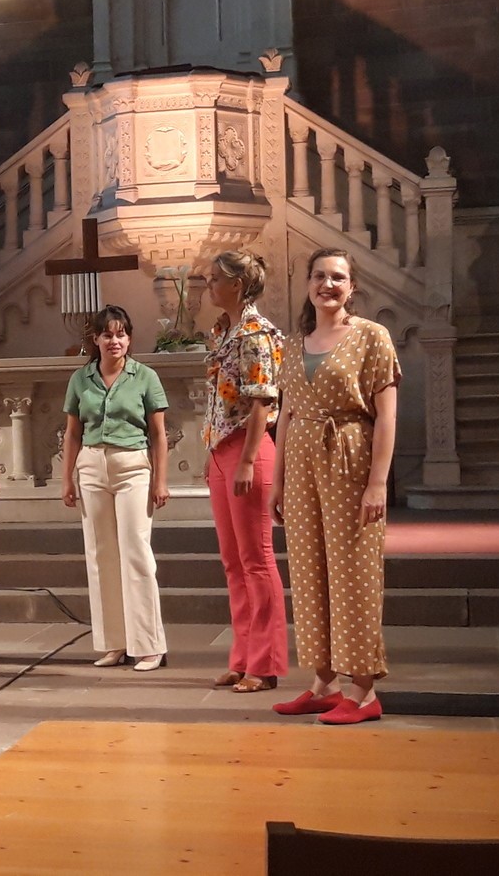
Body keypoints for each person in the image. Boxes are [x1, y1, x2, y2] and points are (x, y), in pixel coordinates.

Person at [269, 248, 400, 725]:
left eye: (338, 277)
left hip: (349, 456)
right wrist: (278, 481)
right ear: (308, 283)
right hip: (302, 462)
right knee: (309, 572)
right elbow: (286, 415)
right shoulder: (293, 343)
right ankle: (325, 683)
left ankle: (363, 691)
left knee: (353, 571)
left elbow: (386, 416)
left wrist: (377, 483)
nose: (328, 284)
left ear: (352, 287)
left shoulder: (371, 336)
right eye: (320, 276)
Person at [61, 305, 169, 672]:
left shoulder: (145, 377)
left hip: (132, 466)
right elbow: (72, 433)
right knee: (100, 555)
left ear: (129, 338)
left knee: (136, 551)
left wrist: (160, 480)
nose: (114, 341)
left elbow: (159, 434)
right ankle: (114, 643)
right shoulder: (81, 379)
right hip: (92, 466)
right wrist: (67, 478)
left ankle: (149, 645)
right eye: (107, 334)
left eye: (121, 334)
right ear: (95, 339)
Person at [202, 250, 289, 693]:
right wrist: (211, 452)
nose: (208, 285)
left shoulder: (256, 333)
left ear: (236, 284)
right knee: (233, 562)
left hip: (248, 449)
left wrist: (250, 459)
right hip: (222, 450)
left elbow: (262, 401)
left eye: (214, 278)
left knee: (257, 560)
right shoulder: (223, 330)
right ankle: (241, 657)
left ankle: (265, 663)